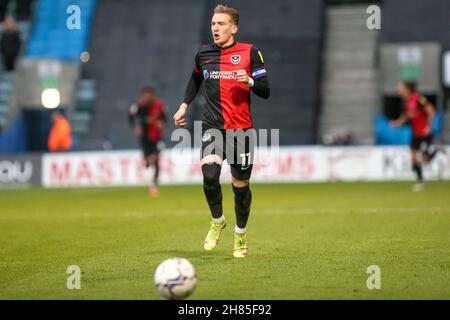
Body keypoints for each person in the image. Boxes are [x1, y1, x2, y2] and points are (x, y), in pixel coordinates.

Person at [173, 5, 270, 258]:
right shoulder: (204, 53)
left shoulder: (250, 53)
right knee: (209, 176)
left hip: (241, 131)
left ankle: (240, 235)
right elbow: (195, 78)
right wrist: (184, 105)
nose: (215, 28)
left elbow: (265, 89)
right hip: (212, 127)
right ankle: (217, 221)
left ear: (233, 28)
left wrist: (248, 81)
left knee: (240, 187)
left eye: (221, 24)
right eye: (213, 24)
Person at [391, 80, 440, 191]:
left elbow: (430, 109)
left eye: (400, 87)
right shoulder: (406, 102)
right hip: (415, 133)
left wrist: (429, 126)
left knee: (424, 159)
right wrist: (397, 122)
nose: (398, 90)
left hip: (424, 132)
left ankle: (436, 150)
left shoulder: (418, 98)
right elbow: (407, 116)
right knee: (413, 159)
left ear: (406, 88)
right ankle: (421, 182)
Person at [128, 86, 166, 197]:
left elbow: (164, 118)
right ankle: (147, 159)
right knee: (148, 161)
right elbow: (130, 117)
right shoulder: (138, 106)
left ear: (153, 95)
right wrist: (135, 127)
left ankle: (154, 185)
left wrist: (162, 123)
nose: (147, 98)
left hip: (157, 137)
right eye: (145, 96)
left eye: (149, 95)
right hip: (144, 137)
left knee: (156, 159)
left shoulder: (159, 105)